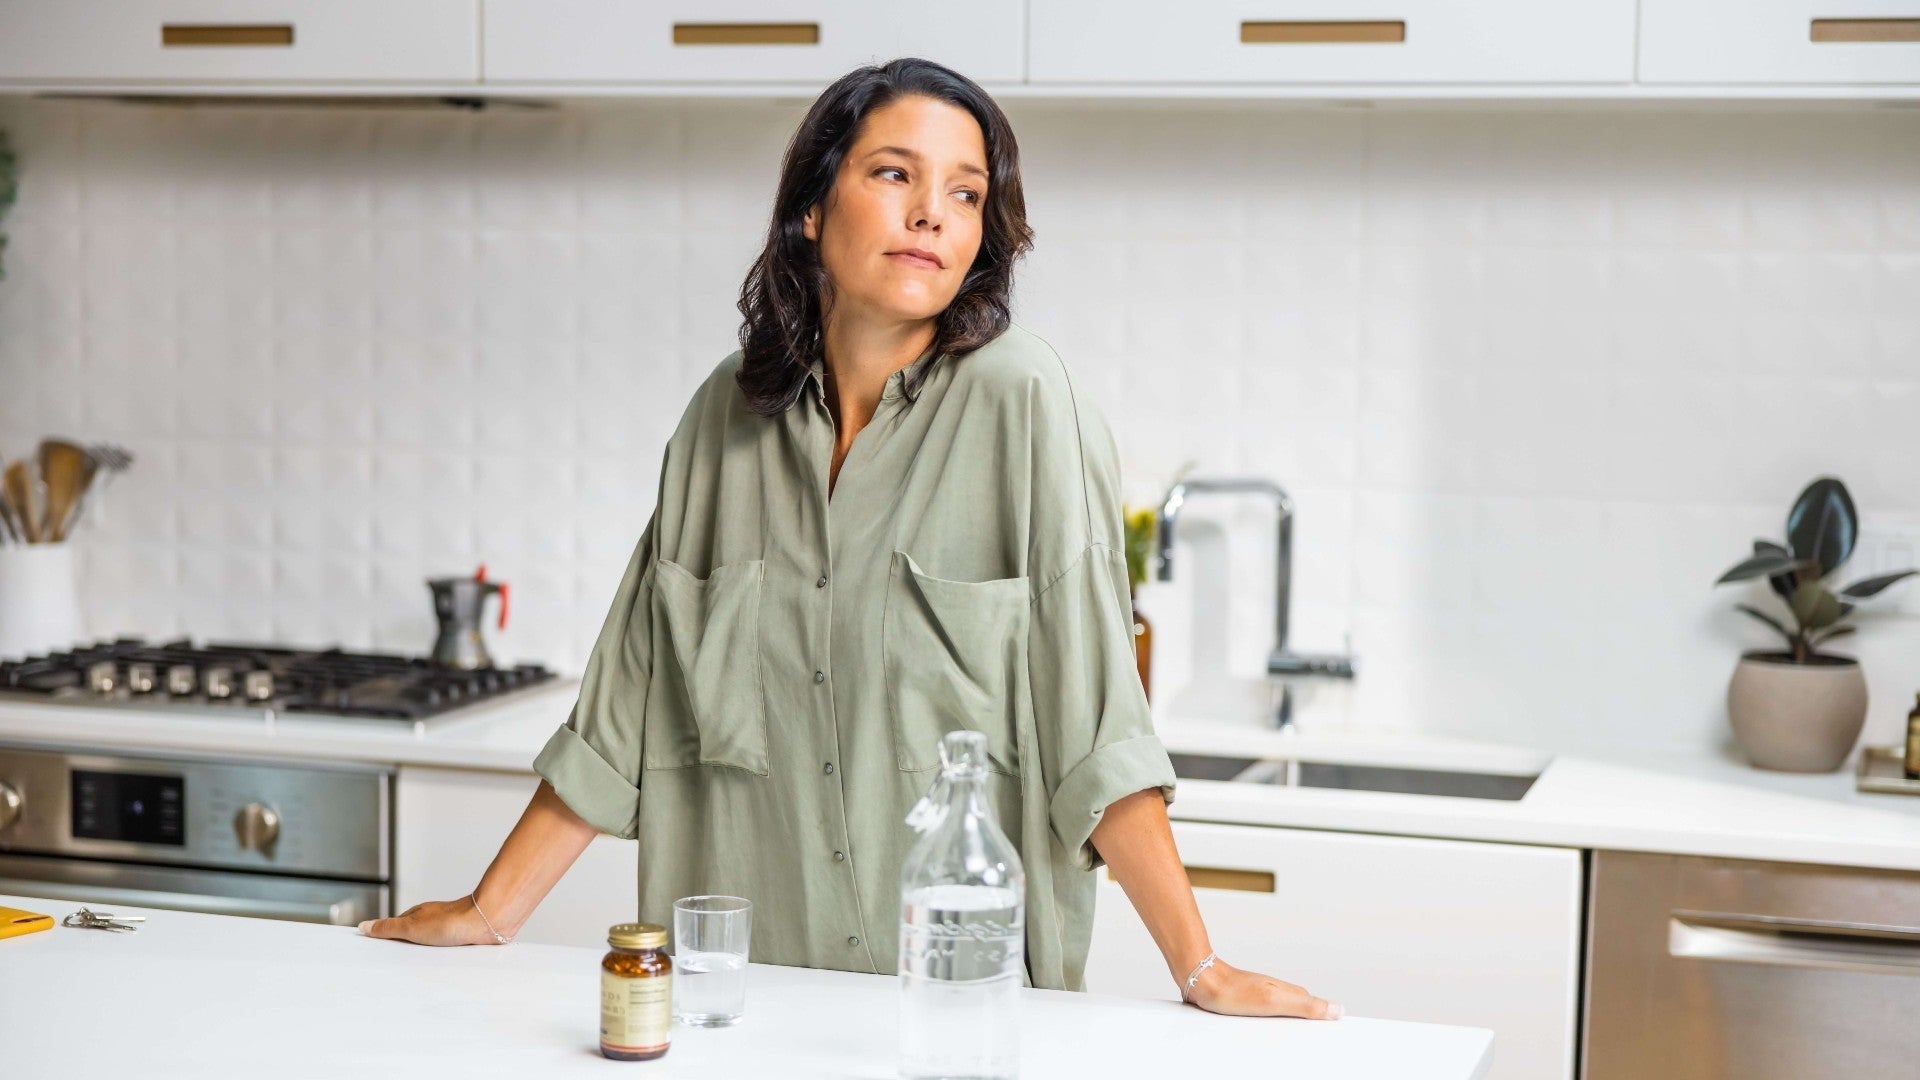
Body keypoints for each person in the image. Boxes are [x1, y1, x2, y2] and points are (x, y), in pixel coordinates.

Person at [362, 57, 1338, 1021]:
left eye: (965, 192)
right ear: (811, 210)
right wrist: (491, 912)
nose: (932, 213)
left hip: (953, 1012)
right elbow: (627, 700)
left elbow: (1097, 724)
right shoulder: (722, 418)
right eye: (894, 174)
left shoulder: (1026, 403)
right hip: (742, 1003)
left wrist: (1200, 966)